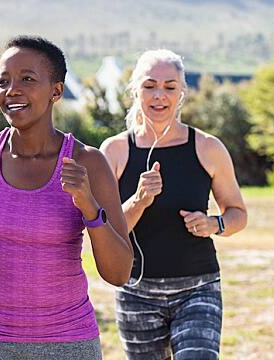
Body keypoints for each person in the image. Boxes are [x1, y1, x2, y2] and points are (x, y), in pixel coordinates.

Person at [0, 36, 133, 360]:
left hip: (67, 340)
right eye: (3, 81)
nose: (11, 90)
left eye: (27, 79)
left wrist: (88, 205)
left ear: (56, 91)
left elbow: (119, 273)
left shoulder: (88, 162)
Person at [99, 49, 248, 360]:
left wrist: (214, 224)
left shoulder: (208, 148)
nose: (159, 96)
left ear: (182, 93)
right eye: (150, 86)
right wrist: (139, 200)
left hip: (198, 288)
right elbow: (107, 233)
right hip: (136, 292)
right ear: (135, 90)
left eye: (169, 87)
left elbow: (238, 213)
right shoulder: (114, 151)